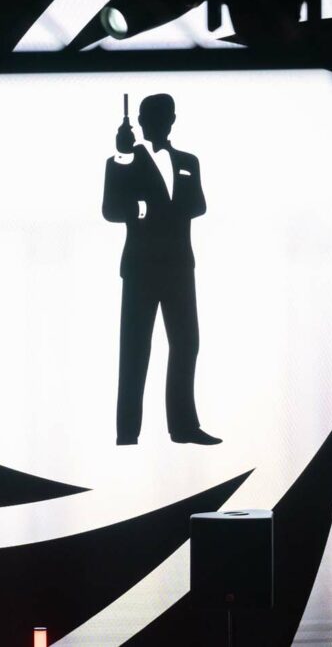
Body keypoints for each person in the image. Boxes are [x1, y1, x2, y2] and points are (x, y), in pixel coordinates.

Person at [103, 93, 221, 446]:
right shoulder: (121, 161)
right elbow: (111, 209)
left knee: (186, 344)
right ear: (140, 122)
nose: (158, 124)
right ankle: (127, 433)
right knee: (135, 350)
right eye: (151, 118)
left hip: (179, 266)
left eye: (164, 117)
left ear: (172, 120)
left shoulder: (188, 161)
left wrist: (157, 208)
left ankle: (183, 426)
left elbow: (199, 205)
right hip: (140, 269)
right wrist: (141, 205)